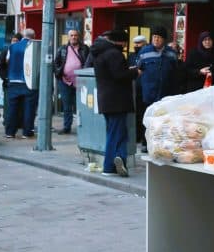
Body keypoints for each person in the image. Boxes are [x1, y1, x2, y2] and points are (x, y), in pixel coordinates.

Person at [90, 30, 139, 177]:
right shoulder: (114, 54)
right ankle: (109, 166)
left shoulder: (99, 52)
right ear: (120, 41)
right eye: (124, 42)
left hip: (105, 99)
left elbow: (111, 73)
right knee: (115, 133)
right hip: (117, 100)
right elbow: (120, 75)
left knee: (117, 132)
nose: (125, 45)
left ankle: (120, 158)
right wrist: (135, 72)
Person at [136, 28, 179, 151]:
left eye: (159, 37)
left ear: (164, 39)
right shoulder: (144, 52)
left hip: (166, 93)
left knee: (163, 121)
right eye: (154, 36)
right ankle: (146, 143)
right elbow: (139, 69)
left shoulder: (171, 53)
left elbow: (175, 71)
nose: (156, 39)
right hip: (149, 92)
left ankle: (161, 144)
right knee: (148, 119)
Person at [3, 29, 38, 139]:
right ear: (33, 36)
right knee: (29, 109)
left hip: (13, 81)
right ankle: (26, 132)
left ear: (23, 36)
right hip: (28, 82)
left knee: (12, 109)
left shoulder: (12, 46)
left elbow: (7, 60)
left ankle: (10, 132)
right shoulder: (33, 46)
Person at [53, 29, 89, 134]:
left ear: (79, 37)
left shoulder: (85, 49)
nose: (73, 37)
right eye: (71, 35)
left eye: (75, 35)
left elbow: (89, 62)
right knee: (67, 105)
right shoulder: (62, 49)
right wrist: (59, 73)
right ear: (68, 37)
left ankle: (84, 127)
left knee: (82, 105)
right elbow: (56, 63)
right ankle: (67, 127)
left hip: (81, 81)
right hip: (65, 82)